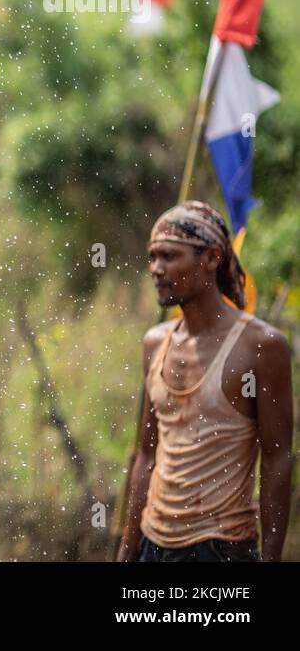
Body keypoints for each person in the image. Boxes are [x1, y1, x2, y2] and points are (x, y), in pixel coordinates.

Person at [117, 201, 293, 562]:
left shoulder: (260, 347)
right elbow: (147, 454)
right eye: (152, 257)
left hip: (221, 546)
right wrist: (128, 546)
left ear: (212, 258)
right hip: (154, 544)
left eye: (169, 256)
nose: (156, 269)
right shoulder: (155, 343)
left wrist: (271, 558)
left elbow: (277, 459)